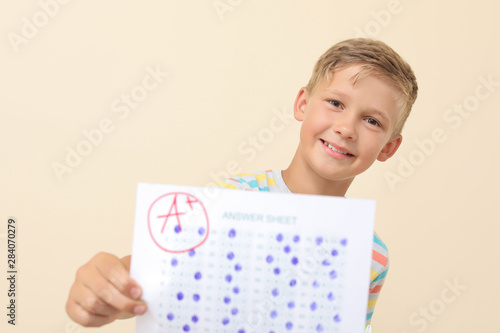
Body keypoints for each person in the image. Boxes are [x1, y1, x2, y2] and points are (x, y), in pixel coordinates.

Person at [66, 38, 418, 328]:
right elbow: (153, 277)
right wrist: (107, 282)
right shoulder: (231, 200)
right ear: (302, 103)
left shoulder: (372, 255)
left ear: (388, 147)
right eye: (335, 103)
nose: (346, 128)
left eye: (371, 120)